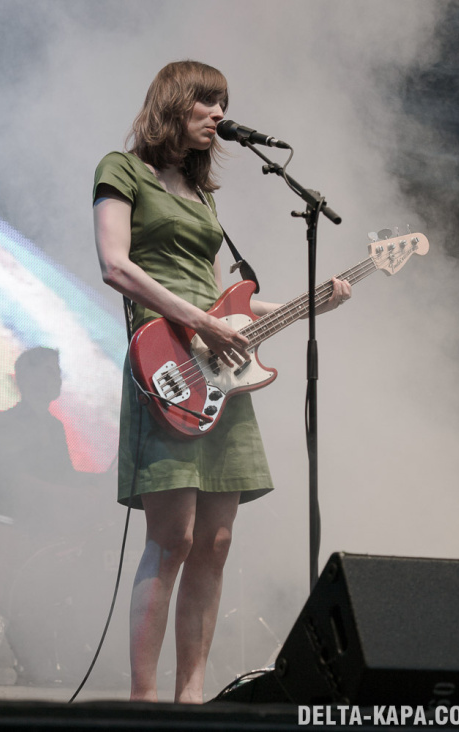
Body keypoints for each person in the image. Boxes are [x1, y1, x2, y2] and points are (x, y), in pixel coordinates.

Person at [93, 60, 351, 703]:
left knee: (216, 538)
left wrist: (308, 300)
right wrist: (195, 322)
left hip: (220, 368)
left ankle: (192, 696)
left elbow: (220, 294)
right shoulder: (120, 170)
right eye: (207, 102)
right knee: (173, 536)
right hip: (167, 360)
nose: (217, 114)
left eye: (223, 104)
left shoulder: (204, 196)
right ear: (174, 102)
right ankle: (143, 699)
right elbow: (115, 265)